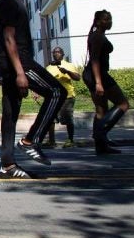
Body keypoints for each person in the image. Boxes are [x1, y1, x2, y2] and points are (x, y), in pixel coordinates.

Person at [0, 0, 66, 179]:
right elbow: (8, 38)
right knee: (57, 92)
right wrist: (19, 73)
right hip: (21, 63)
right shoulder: (8, 2)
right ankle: (31, 140)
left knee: (10, 115)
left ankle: (7, 165)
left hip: (14, 65)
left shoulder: (14, 2)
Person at [83, 10, 129, 155]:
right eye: (105, 19)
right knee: (123, 103)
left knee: (101, 110)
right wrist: (98, 82)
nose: (108, 22)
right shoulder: (97, 36)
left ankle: (101, 147)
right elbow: (95, 59)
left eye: (109, 19)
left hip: (93, 74)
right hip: (97, 75)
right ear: (97, 21)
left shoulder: (98, 34)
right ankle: (100, 133)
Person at [43, 47, 80, 148]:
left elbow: (78, 78)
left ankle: (70, 140)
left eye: (58, 52)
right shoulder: (49, 67)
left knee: (68, 119)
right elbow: (45, 82)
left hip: (67, 96)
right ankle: (51, 141)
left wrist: (67, 72)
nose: (56, 54)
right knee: (50, 119)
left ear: (63, 54)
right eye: (54, 52)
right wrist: (38, 92)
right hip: (53, 97)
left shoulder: (69, 65)